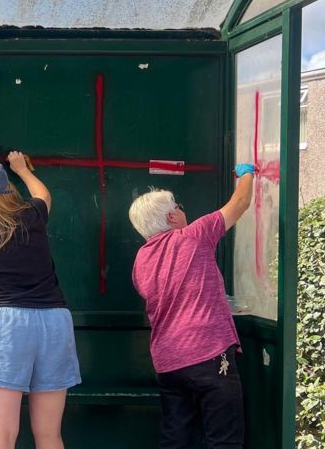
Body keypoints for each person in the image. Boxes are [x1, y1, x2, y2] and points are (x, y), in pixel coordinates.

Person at [128, 163, 256, 449]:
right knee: (224, 439)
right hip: (208, 353)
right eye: (180, 206)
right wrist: (247, 173)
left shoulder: (140, 261)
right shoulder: (194, 235)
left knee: (175, 439)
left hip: (168, 362)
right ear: (173, 216)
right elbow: (240, 202)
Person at [0, 152, 80, 449]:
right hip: (54, 319)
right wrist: (22, 169)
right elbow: (43, 194)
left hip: (6, 324)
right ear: (8, 188)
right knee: (50, 434)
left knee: (2, 436)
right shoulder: (33, 215)